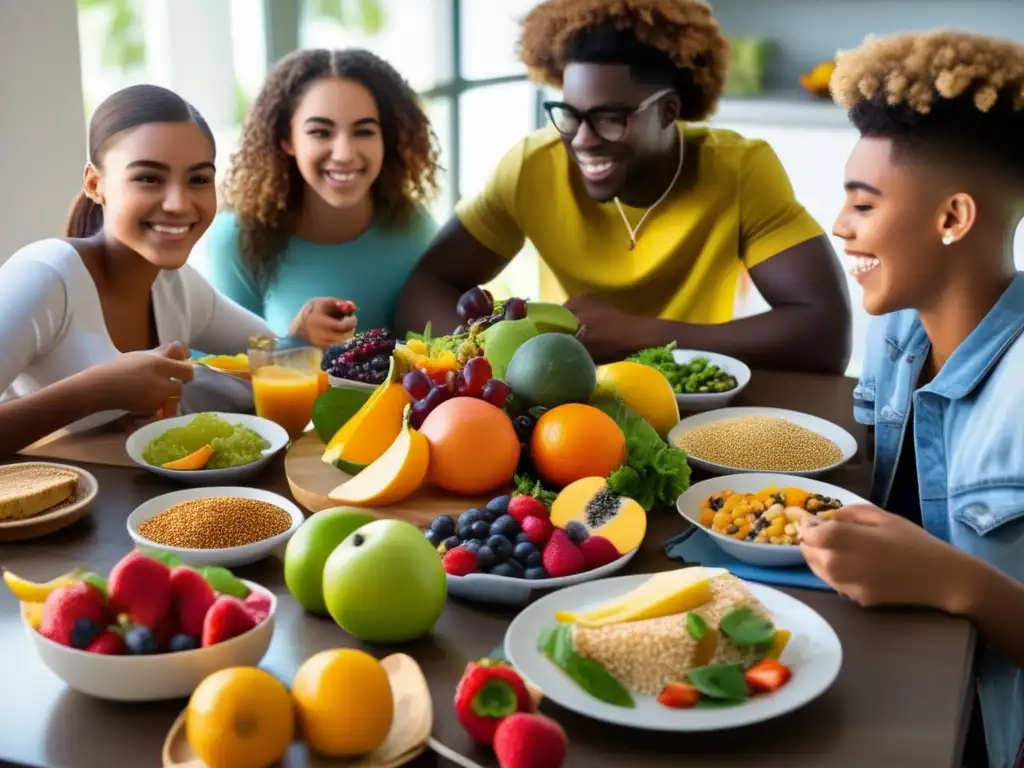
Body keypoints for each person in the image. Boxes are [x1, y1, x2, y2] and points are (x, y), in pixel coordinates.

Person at [395, 0, 852, 373]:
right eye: (570, 115)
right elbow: (427, 283)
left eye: (611, 119)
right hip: (566, 395)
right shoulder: (532, 167)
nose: (582, 140)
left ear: (669, 112)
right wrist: (494, 351)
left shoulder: (738, 170)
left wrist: (647, 334)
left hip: (692, 394)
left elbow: (826, 333)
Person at [798, 30, 1024, 768]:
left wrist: (957, 582)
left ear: (953, 219)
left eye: (863, 204)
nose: (839, 225)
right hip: (891, 666)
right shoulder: (897, 326)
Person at [0, 84, 347, 458]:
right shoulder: (44, 278)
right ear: (94, 184)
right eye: (149, 178)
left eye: (198, 179)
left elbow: (269, 357)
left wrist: (302, 335)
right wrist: (95, 391)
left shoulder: (177, 287)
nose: (179, 204)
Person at [201, 48, 441, 345]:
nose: (343, 154)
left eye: (363, 132)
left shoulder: (416, 229)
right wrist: (295, 341)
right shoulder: (238, 239)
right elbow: (219, 372)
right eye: (320, 132)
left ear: (386, 138)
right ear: (286, 139)